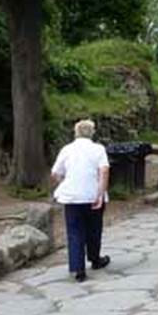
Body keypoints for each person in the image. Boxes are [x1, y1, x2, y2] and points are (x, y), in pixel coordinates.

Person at [50, 119, 111, 283]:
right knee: (94, 228)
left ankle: (78, 269)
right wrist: (101, 193)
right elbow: (104, 171)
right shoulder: (98, 149)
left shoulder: (67, 150)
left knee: (75, 231)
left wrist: (64, 183)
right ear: (92, 132)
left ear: (75, 132)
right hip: (92, 194)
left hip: (72, 196)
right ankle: (95, 258)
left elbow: (55, 173)